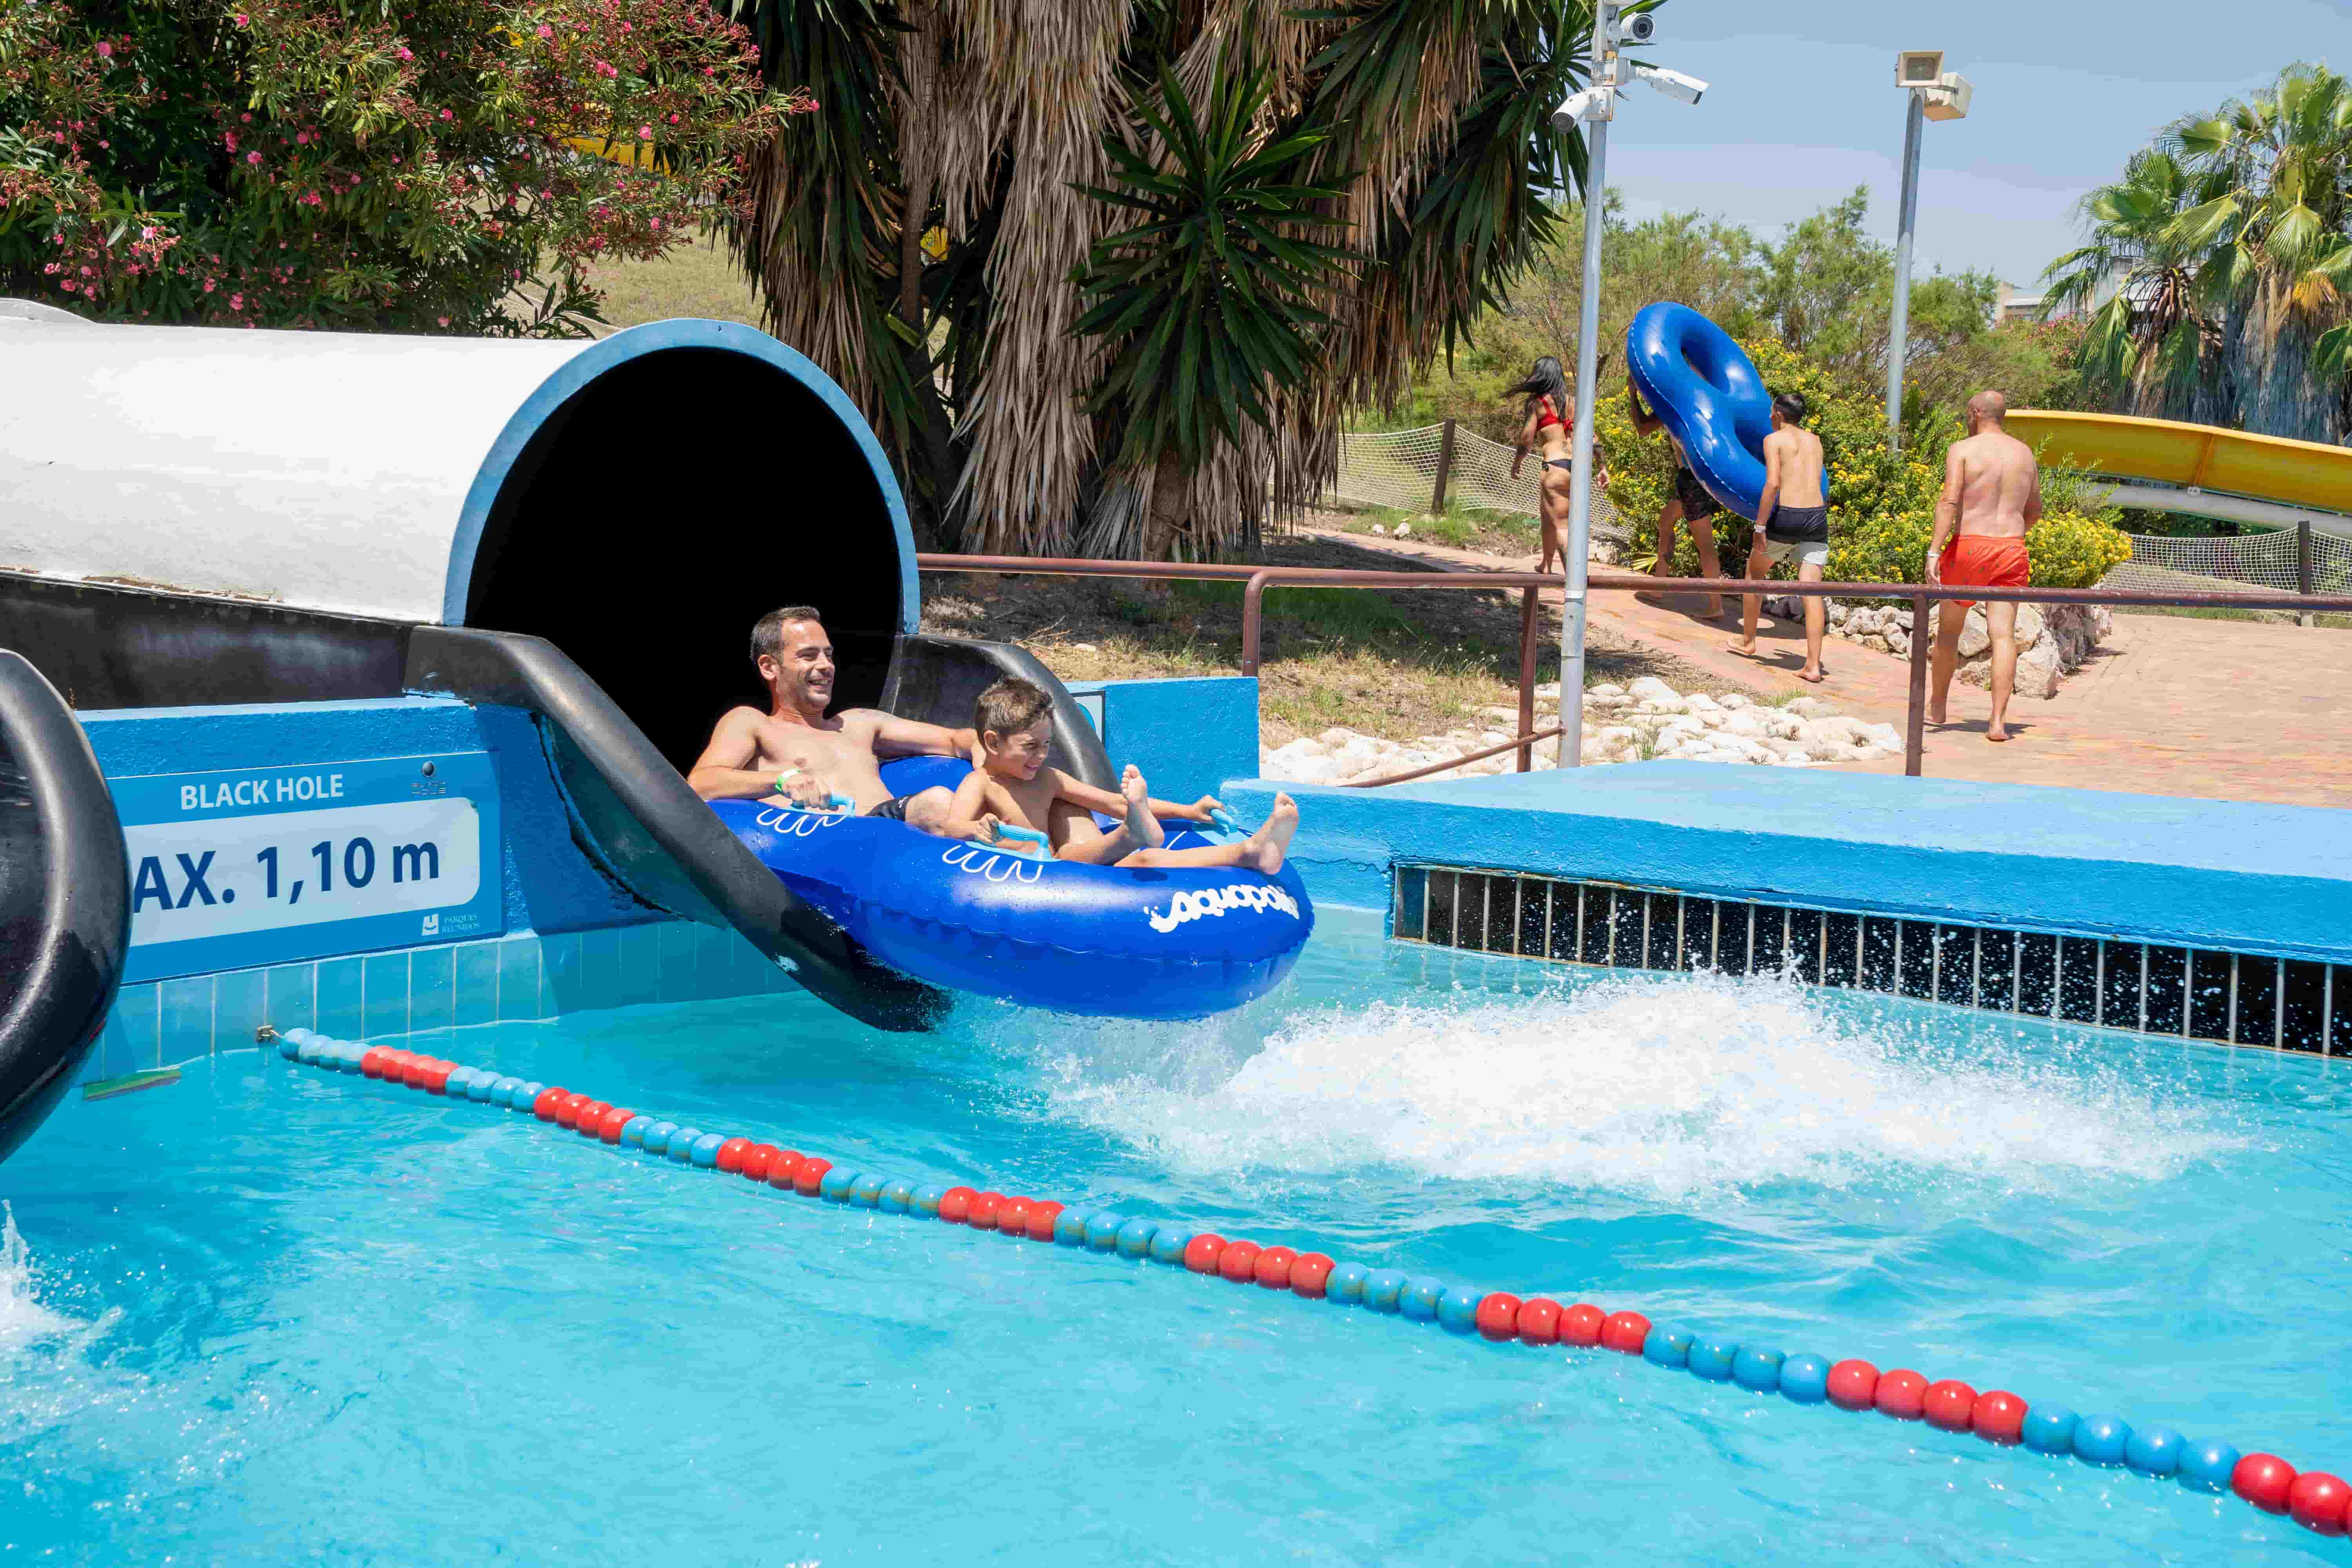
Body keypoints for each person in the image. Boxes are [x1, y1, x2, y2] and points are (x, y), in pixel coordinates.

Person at [941, 677, 1299, 873]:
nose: (1042, 755)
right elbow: (953, 826)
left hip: (1060, 869)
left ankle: (1251, 852)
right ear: (992, 742)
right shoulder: (981, 783)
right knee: (1084, 855)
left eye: (1048, 744)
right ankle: (1133, 832)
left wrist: (1188, 811)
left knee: (1145, 860)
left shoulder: (1047, 778)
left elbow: (1113, 801)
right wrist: (976, 829)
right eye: (1031, 746)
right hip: (1025, 875)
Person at [686, 606, 977, 829]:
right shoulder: (753, 723)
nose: (826, 666)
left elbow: (955, 740)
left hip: (887, 832)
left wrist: (984, 755)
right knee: (936, 803)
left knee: (959, 801)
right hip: (826, 840)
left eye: (828, 655)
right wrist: (782, 779)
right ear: (769, 667)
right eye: (809, 656)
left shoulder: (859, 724)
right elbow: (702, 783)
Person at [1928, 390, 2040, 742]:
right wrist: (2007, 534)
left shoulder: (1962, 450)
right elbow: (2034, 511)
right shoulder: (2025, 454)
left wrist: (1934, 550)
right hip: (2011, 548)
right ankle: (1997, 723)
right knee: (2004, 636)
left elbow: (1949, 501)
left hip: (1969, 546)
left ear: (1976, 413)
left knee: (1949, 631)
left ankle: (1940, 706)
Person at [1733, 391, 1831, 683]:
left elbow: (1773, 484)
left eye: (1771, 412)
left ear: (1778, 414)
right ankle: (1813, 666)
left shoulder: (1773, 440)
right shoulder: (1815, 440)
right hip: (1817, 517)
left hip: (1788, 515)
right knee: (1811, 590)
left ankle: (1748, 640)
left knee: (1754, 574)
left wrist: (1760, 527)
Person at [1627, 379, 1727, 617]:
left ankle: (1716, 606)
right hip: (1691, 480)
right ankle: (1659, 586)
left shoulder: (1676, 409)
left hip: (1694, 482)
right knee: (1666, 522)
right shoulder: (1705, 406)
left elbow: (1642, 428)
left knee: (1705, 546)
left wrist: (1633, 394)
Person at [1505, 355, 1607, 573]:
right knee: (1548, 514)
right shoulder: (1573, 403)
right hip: (1578, 469)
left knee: (1561, 524)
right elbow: (1593, 437)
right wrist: (1602, 467)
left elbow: (1526, 438)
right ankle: (1547, 563)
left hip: (1554, 467)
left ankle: (1575, 580)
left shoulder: (1537, 403)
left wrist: (1517, 463)